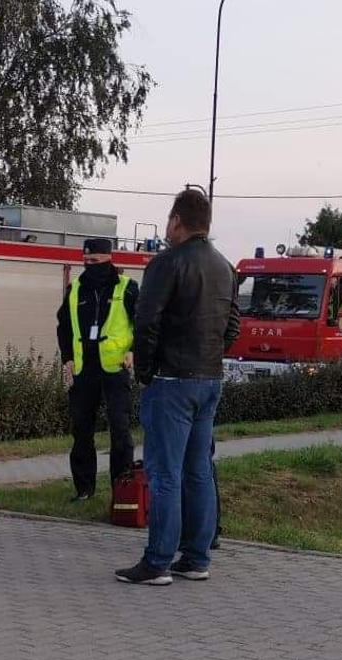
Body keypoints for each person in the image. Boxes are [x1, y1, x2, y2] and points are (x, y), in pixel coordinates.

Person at [115, 188, 239, 586]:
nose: (167, 227)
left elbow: (146, 321)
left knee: (164, 472)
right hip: (210, 378)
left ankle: (157, 562)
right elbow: (232, 325)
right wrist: (212, 355)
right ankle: (196, 557)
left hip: (171, 381)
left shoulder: (165, 264)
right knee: (198, 469)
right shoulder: (225, 267)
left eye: (169, 220)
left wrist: (147, 370)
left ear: (177, 222)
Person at [57, 237, 139, 502]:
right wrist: (67, 358)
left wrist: (133, 351)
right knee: (81, 431)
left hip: (115, 368)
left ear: (108, 259)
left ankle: (122, 490)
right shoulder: (76, 289)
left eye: (95, 261)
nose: (89, 265)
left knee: (120, 431)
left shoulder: (127, 288)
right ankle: (84, 490)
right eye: (86, 260)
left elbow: (143, 323)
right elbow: (64, 326)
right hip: (84, 369)